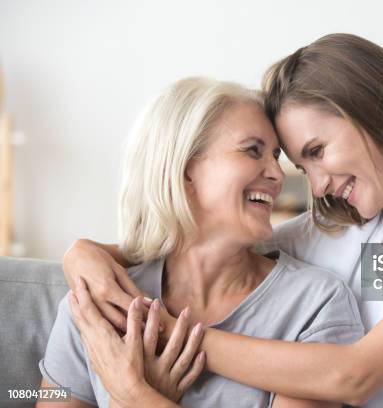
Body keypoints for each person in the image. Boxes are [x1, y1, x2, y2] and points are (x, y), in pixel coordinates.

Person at [61, 34, 383, 407]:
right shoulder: (346, 236)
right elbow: (207, 240)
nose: (316, 184)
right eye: (304, 166)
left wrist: (164, 341)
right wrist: (87, 252)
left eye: (318, 151)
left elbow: (353, 375)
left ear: (372, 112)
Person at [36, 76, 363, 408]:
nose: (278, 174)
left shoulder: (312, 305)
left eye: (276, 156)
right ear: (185, 169)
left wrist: (136, 397)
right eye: (253, 150)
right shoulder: (99, 302)